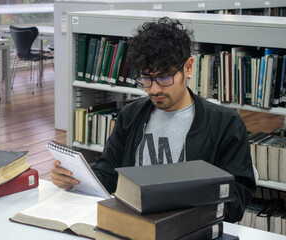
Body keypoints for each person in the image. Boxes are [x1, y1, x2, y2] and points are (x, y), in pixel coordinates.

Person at [51, 17, 256, 223]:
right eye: (147, 79)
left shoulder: (224, 123)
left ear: (188, 67)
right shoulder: (130, 116)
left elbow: (237, 199)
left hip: (189, 228)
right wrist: (74, 179)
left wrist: (185, 203)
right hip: (133, 225)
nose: (155, 89)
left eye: (165, 77)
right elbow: (108, 173)